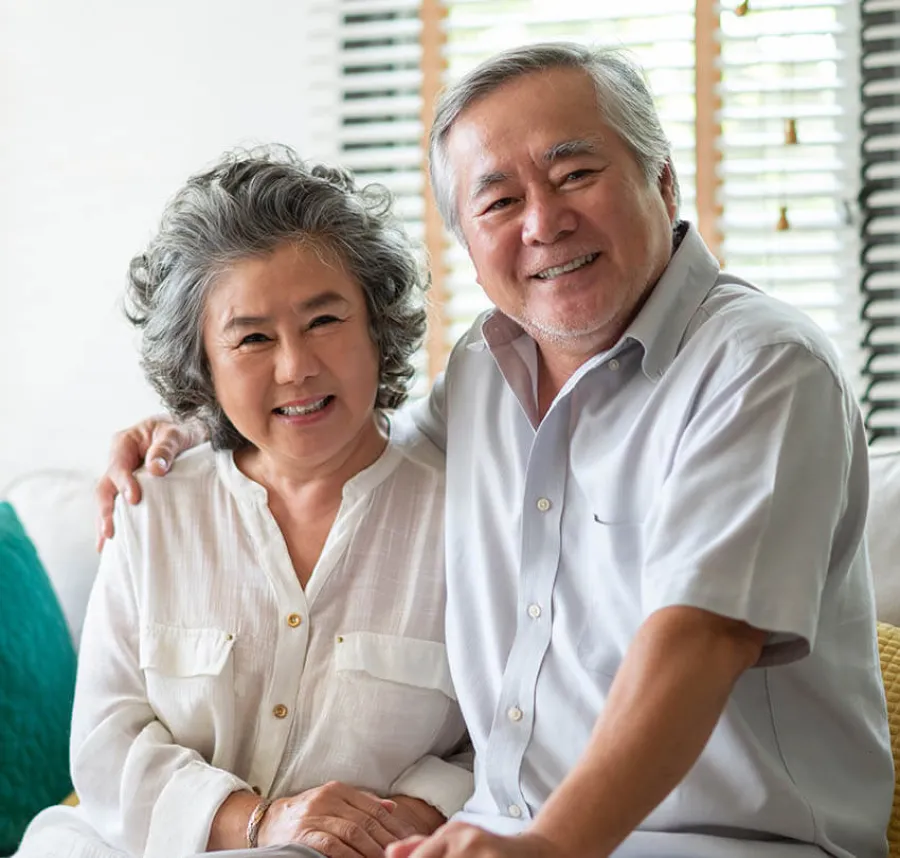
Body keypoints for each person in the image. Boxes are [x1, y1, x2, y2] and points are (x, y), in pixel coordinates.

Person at [96, 43, 894, 858]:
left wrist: (547, 845)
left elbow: (702, 638)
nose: (543, 223)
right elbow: (351, 440)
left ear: (662, 180)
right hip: (501, 833)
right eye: (500, 200)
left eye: (575, 174)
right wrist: (201, 428)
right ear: (468, 244)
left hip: (728, 843)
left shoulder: (761, 366)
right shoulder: (486, 367)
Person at [16, 148, 472, 858]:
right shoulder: (155, 505)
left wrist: (416, 810)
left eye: (325, 321)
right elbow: (107, 738)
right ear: (203, 364)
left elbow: (509, 733)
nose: (296, 367)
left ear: (377, 326)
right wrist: (258, 821)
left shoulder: (465, 518)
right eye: (253, 338)